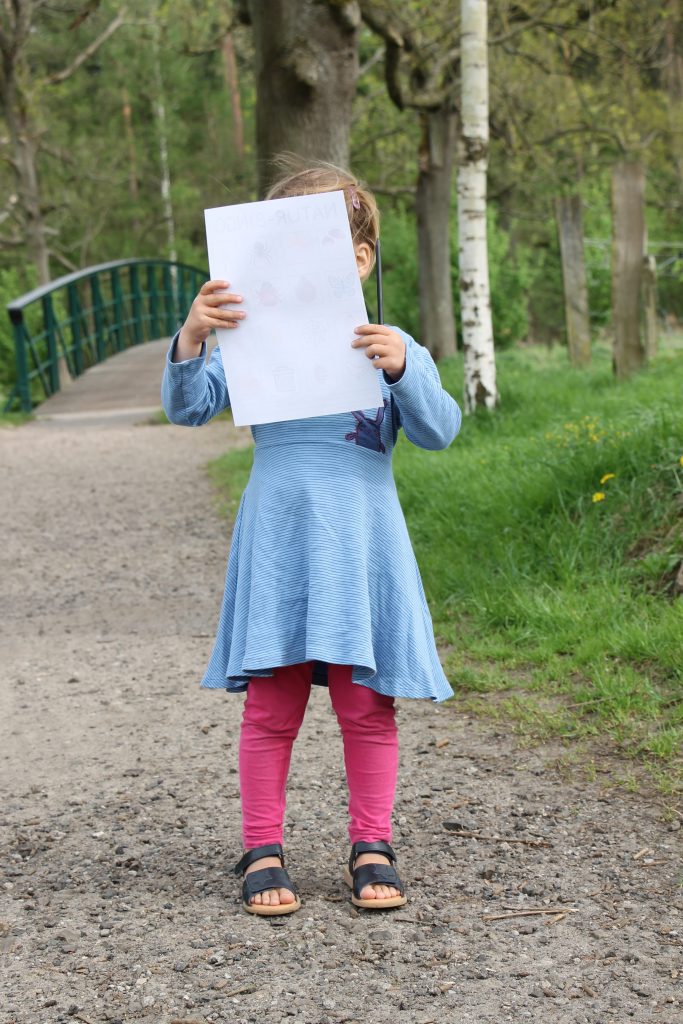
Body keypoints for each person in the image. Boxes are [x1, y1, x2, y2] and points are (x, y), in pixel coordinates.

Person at [161, 164, 462, 917]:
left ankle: (372, 842)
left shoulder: (387, 343)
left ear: (357, 258)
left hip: (361, 539)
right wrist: (194, 333)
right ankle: (261, 847)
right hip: (280, 536)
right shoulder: (247, 340)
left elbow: (438, 430)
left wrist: (403, 369)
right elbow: (190, 407)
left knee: (366, 705)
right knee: (271, 702)